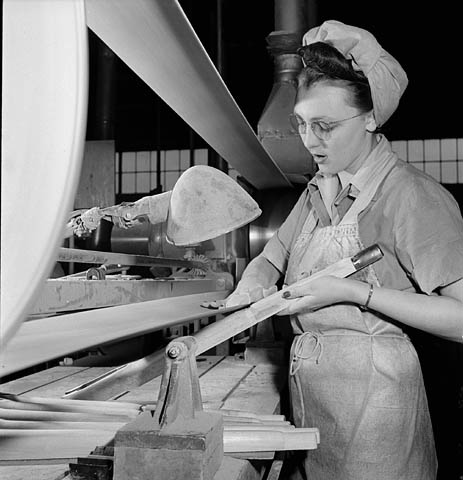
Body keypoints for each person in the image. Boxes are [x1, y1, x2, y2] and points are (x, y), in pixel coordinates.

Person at [227, 20, 463, 480]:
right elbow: (270, 257)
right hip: (315, 402)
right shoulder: (319, 190)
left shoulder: (410, 197)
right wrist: (253, 286)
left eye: (325, 126)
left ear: (371, 118)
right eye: (301, 124)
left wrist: (355, 293)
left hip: (380, 409)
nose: (309, 141)